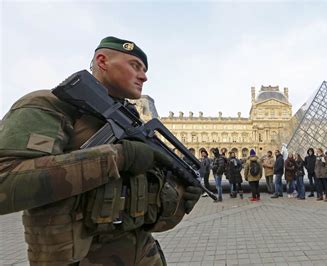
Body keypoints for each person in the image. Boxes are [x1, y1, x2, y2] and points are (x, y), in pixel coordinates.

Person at [0, 36, 202, 265]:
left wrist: (177, 198)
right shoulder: (49, 105)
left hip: (143, 255)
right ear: (103, 61)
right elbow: (4, 180)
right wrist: (119, 157)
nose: (144, 76)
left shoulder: (133, 123)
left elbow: (143, 218)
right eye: (135, 66)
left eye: (145, 70)